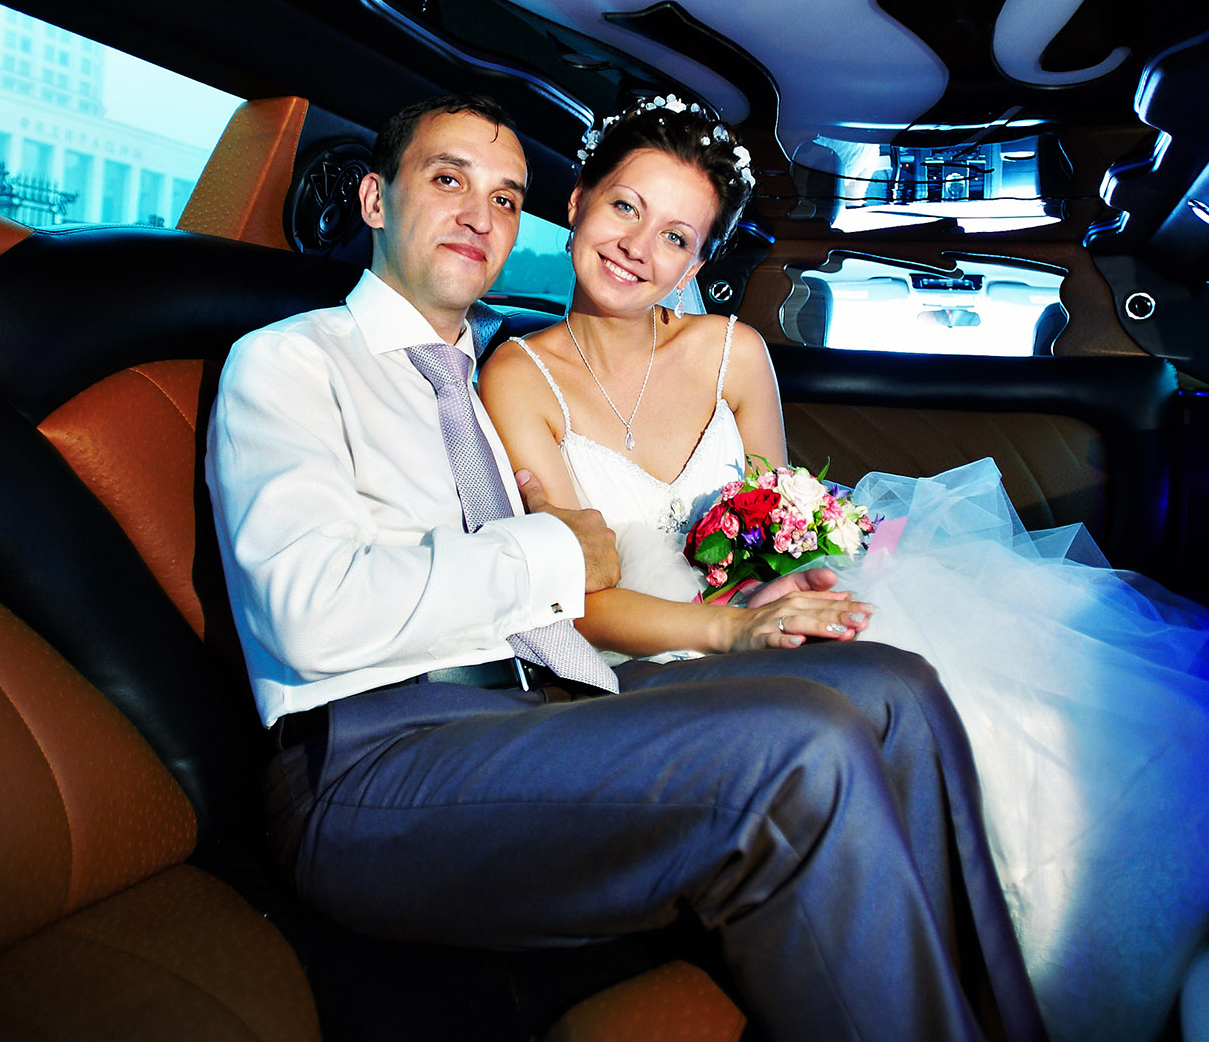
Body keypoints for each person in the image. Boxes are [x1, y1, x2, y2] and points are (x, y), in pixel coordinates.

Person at [477, 96, 1209, 1042]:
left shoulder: (732, 349)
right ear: (576, 201)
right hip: (654, 659)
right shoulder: (518, 376)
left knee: (1010, 715)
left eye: (676, 235)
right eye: (624, 209)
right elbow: (580, 595)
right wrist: (729, 625)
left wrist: (795, 577)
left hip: (769, 611)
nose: (639, 248)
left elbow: (777, 513)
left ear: (696, 262)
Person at [205, 93, 1047, 1042]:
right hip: (367, 762)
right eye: (448, 181)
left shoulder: (484, 379)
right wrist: (551, 550)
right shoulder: (287, 362)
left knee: (898, 692)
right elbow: (309, 615)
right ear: (372, 201)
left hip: (541, 703)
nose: (481, 216)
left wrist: (771, 573)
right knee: (803, 744)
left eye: (507, 198)